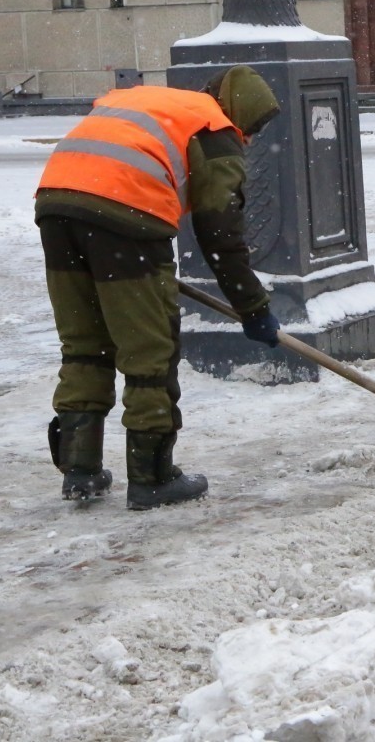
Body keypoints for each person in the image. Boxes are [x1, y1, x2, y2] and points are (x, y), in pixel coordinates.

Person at [35, 65, 282, 510]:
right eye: (253, 131)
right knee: (150, 352)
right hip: (127, 210)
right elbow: (220, 233)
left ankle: (81, 470)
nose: (247, 141)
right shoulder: (215, 127)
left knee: (86, 343)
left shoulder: (160, 103)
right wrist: (253, 307)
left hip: (56, 202)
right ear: (241, 115)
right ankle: (153, 477)